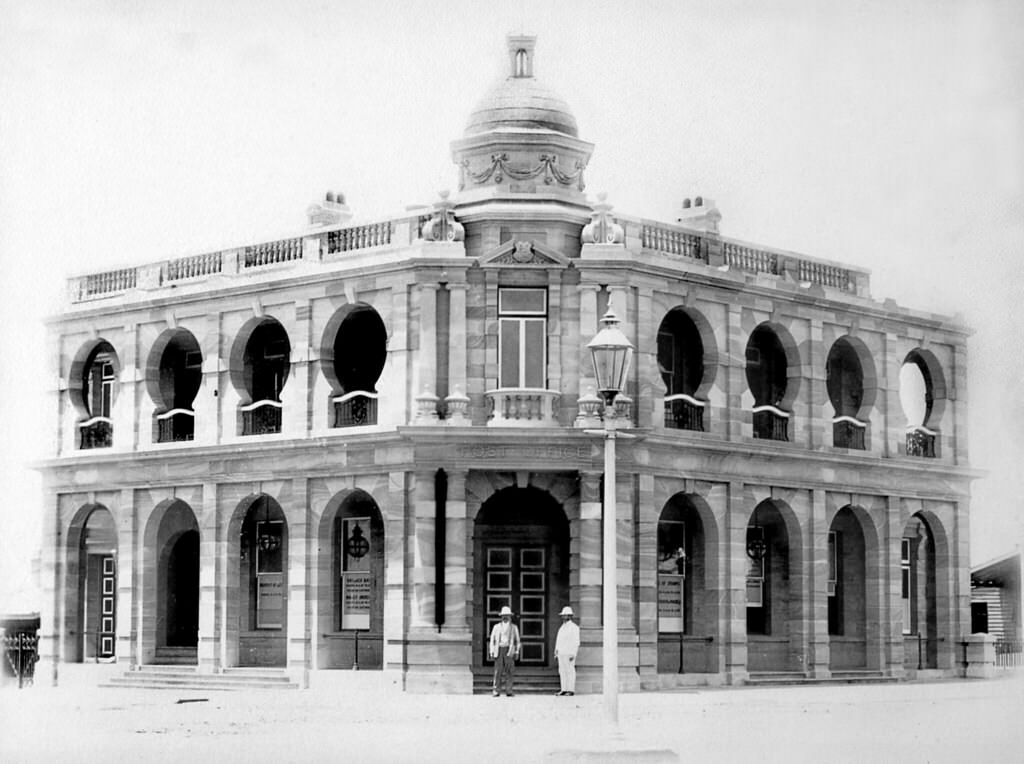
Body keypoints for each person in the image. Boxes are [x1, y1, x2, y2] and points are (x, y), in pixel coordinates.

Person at [489, 605, 520, 696]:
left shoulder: (514, 627)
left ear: (510, 616)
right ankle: (496, 690)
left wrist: (517, 651)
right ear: (501, 616)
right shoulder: (496, 627)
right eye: (504, 615)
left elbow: (517, 641)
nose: (505, 617)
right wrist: (491, 651)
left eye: (507, 615)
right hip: (499, 649)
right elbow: (492, 640)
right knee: (497, 671)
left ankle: (509, 690)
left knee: (509, 671)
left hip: (509, 650)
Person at [554, 605, 580, 696]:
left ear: (569, 616)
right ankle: (564, 689)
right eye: (563, 615)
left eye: (565, 615)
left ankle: (570, 689)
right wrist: (556, 651)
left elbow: (576, 642)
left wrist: (573, 654)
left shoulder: (574, 628)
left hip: (569, 653)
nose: (563, 617)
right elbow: (558, 640)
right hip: (561, 652)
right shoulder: (562, 628)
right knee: (562, 671)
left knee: (570, 671)